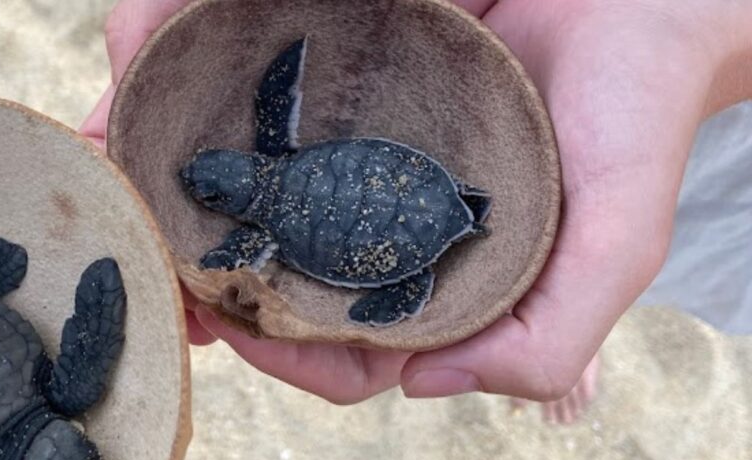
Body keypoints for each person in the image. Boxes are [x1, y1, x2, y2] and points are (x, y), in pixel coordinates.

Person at [81, 0, 752, 421]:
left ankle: (437, 283)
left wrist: (685, 29)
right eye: (206, 182)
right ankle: (477, 270)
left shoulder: (261, 232)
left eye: (203, 193)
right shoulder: (280, 156)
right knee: (611, 245)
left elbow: (228, 266)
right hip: (414, 184)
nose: (200, 182)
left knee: (609, 244)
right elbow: (279, 91)